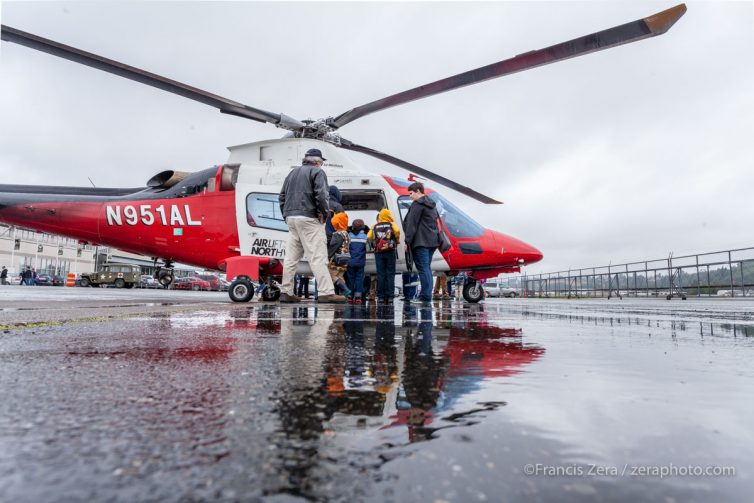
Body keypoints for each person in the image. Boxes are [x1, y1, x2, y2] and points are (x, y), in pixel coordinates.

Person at [278, 148, 345, 303]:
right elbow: (322, 195)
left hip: (292, 219)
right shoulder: (317, 172)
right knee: (318, 257)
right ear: (316, 162)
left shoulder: (292, 173)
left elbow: (281, 196)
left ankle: (286, 291)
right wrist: (323, 213)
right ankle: (326, 292)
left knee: (290, 258)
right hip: (309, 219)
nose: (321, 166)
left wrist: (286, 215)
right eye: (321, 163)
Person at [403, 182, 442, 303]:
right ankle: (427, 295)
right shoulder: (431, 204)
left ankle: (425, 296)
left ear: (418, 191)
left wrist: (407, 241)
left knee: (423, 269)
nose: (410, 196)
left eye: (411, 193)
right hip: (432, 242)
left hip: (421, 242)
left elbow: (411, 224)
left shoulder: (417, 204)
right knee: (427, 269)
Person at [368, 208, 401, 305]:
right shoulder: (392, 224)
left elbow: (369, 236)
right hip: (390, 251)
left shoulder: (375, 226)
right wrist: (397, 240)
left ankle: (381, 297)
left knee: (380, 274)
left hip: (378, 252)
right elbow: (397, 231)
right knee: (390, 274)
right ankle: (390, 296)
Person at [327, 212, 352, 298]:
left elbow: (333, 247)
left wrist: (328, 256)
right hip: (345, 259)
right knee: (340, 276)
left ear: (337, 223)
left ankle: (346, 290)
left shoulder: (337, 234)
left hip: (336, 260)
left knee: (331, 275)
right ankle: (344, 296)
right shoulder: (346, 234)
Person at [346, 219, 368, 304]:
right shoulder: (365, 236)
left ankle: (350, 296)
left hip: (350, 262)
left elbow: (346, 247)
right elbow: (368, 248)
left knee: (350, 278)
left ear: (352, 226)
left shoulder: (349, 235)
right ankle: (358, 297)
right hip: (360, 262)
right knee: (359, 279)